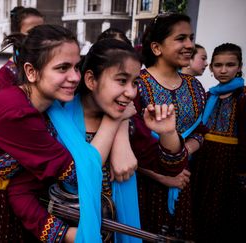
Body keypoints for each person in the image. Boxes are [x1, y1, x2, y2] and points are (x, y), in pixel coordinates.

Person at [0, 24, 127, 243]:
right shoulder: (18, 113)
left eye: (76, 67)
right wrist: (115, 120)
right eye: (62, 68)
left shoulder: (42, 109)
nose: (74, 77)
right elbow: (74, 171)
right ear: (31, 72)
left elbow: (24, 182)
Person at [61, 39, 188, 243]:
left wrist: (168, 133)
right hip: (71, 234)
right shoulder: (57, 121)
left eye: (135, 82)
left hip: (115, 233)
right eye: (121, 81)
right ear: (91, 80)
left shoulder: (129, 123)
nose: (131, 93)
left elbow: (170, 167)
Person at [135, 13, 207, 240]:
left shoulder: (195, 86)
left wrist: (184, 153)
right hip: (144, 183)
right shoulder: (138, 85)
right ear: (156, 48)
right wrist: (163, 176)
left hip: (182, 178)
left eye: (191, 38)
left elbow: (200, 131)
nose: (189, 45)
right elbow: (129, 143)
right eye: (181, 38)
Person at [192, 43, 246, 242]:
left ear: (239, 66)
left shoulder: (243, 97)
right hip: (204, 163)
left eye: (230, 65)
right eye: (218, 65)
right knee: (200, 210)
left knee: (226, 214)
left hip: (230, 166)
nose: (223, 70)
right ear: (212, 68)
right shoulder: (207, 96)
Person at [0, 6, 44, 91]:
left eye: (42, 31)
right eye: (31, 32)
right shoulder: (6, 73)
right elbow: (9, 103)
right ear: (16, 35)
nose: (38, 36)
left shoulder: (47, 61)